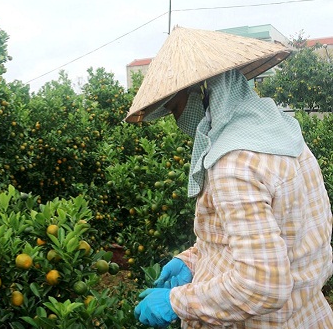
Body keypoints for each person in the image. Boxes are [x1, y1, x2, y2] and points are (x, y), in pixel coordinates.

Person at [126, 26, 333, 328]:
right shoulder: (284, 136)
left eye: (174, 106)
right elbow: (277, 235)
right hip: (306, 314)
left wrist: (176, 302)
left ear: (203, 91)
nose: (176, 118)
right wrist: (193, 259)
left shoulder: (234, 165)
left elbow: (262, 284)